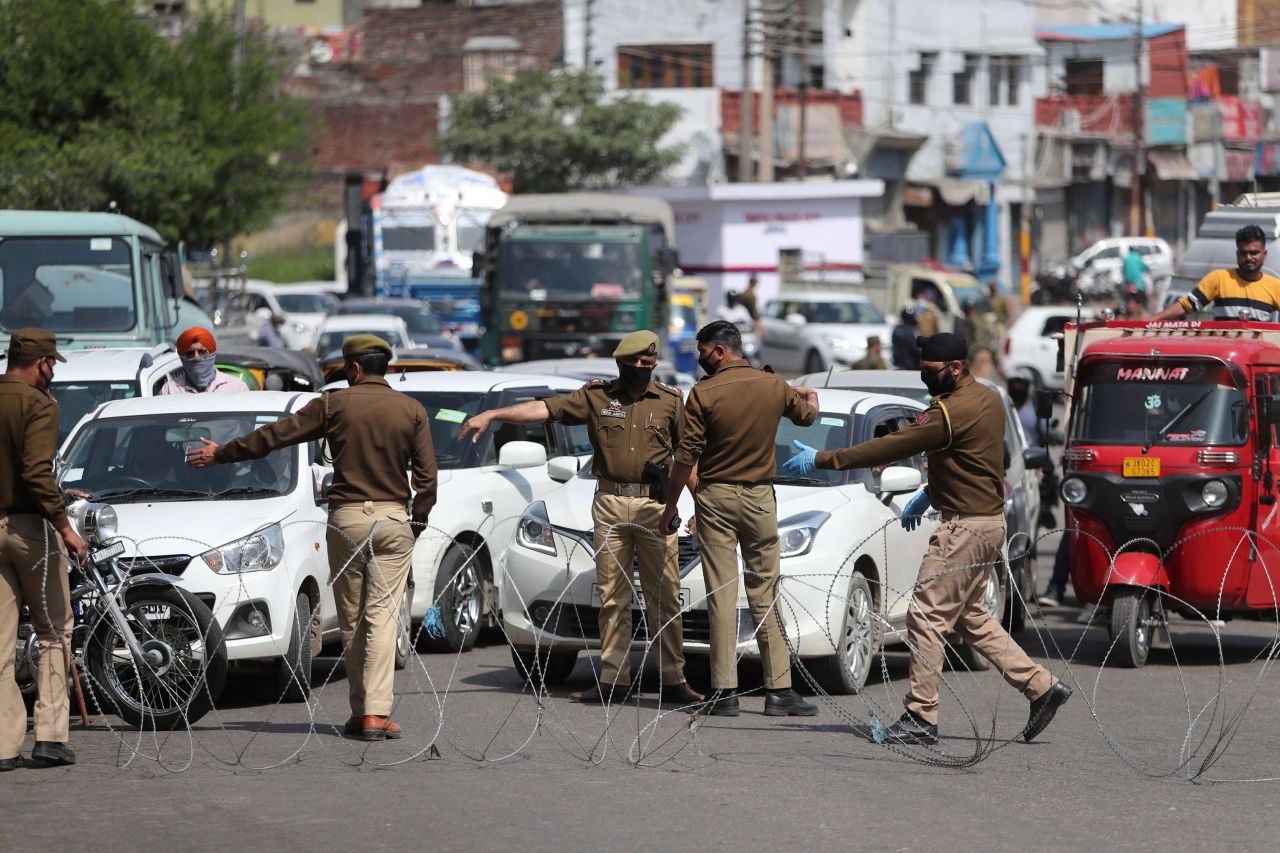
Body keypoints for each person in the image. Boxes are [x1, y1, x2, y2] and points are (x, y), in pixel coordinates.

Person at [782, 333, 1071, 745]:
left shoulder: (949, 412)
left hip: (964, 529)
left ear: (955, 368)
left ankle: (921, 715)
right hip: (986, 522)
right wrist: (932, 492)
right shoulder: (986, 400)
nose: (924, 378)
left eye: (931, 372)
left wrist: (822, 459)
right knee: (971, 618)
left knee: (925, 615)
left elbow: (891, 445)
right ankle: (1042, 688)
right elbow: (970, 460)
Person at [186, 335, 437, 741]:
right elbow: (427, 477)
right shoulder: (411, 410)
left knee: (354, 619)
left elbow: (276, 436)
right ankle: (374, 712)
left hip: (347, 519)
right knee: (383, 618)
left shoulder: (333, 405)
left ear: (354, 369)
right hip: (393, 519)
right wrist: (417, 521)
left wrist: (221, 453)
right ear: (384, 368)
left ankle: (363, 712)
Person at [460, 331, 702, 705]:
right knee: (612, 597)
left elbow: (688, 458)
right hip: (609, 503)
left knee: (664, 596)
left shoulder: (670, 401)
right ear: (620, 363)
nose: (642, 368)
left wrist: (698, 506)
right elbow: (544, 408)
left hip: (654, 507)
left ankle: (672, 678)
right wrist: (493, 415)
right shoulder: (597, 396)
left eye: (648, 363)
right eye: (635, 362)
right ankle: (613, 679)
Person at [660, 320, 821, 717]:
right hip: (760, 499)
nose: (699, 359)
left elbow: (686, 456)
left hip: (715, 497)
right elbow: (807, 417)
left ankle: (723, 692)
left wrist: (672, 506)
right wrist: (810, 395)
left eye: (702, 352)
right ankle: (780, 691)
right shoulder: (774, 385)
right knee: (766, 591)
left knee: (722, 594)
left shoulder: (704, 392)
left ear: (718, 351)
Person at [0, 329, 89, 769]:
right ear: (41, 363)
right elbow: (37, 474)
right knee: (55, 630)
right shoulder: (38, 404)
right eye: (51, 363)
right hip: (31, 527)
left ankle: (2, 745)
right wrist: (66, 528)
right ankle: (50, 737)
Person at [1152, 224, 1280, 321]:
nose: (1248, 258)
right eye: (1243, 253)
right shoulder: (1219, 278)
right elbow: (1186, 305)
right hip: (1224, 355)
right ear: (1237, 254)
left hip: (1259, 355)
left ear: (1264, 254)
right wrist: (1150, 322)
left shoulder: (1275, 286)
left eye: (1253, 253)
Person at [160, 327, 249, 395]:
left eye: (202, 352)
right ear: (182, 357)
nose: (196, 357)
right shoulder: (170, 390)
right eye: (190, 353)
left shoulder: (236, 388)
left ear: (212, 354)